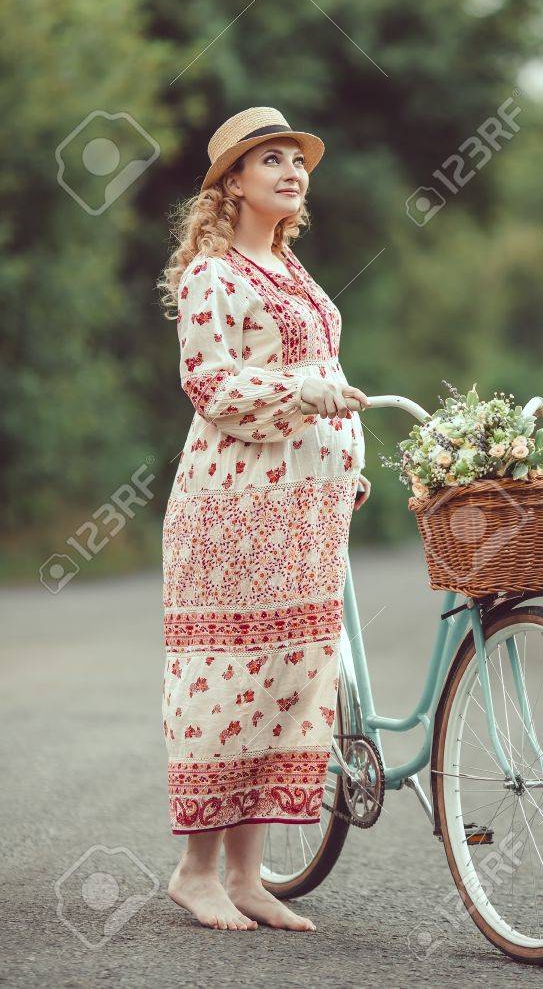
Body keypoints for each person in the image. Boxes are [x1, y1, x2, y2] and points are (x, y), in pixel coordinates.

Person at [156, 106, 371, 932]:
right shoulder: (213, 273)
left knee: (289, 684)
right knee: (228, 681)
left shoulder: (294, 271)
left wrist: (348, 457)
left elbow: (331, 371)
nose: (290, 170)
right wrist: (305, 395)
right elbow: (210, 385)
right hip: (235, 507)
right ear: (232, 183)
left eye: (297, 160)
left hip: (308, 509)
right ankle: (196, 870)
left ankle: (247, 876)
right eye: (269, 160)